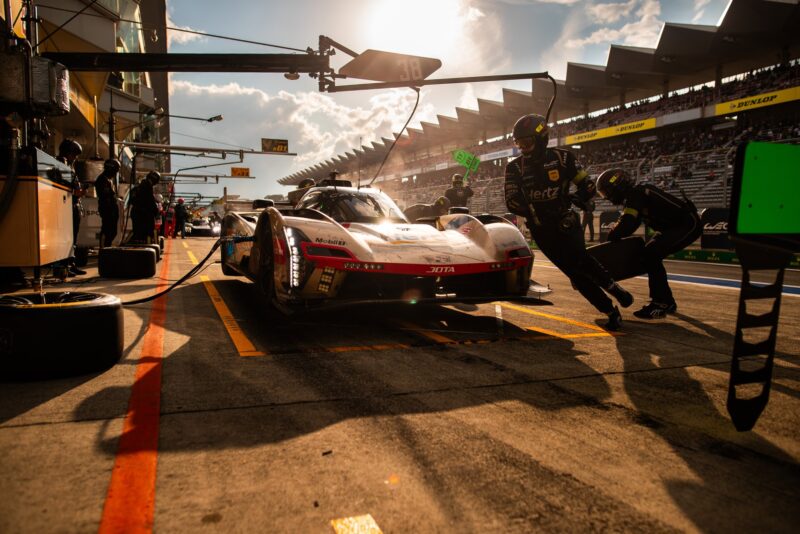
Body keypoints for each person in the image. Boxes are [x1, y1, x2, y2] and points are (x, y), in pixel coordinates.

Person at [504, 114, 633, 330]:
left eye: (527, 143)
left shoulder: (564, 158)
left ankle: (614, 288)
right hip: (540, 229)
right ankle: (610, 310)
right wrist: (529, 209)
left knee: (582, 260)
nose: (523, 148)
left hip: (565, 220)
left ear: (541, 138)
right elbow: (511, 201)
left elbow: (588, 185)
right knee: (573, 273)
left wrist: (578, 198)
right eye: (519, 144)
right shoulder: (514, 167)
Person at [596, 168, 701, 319]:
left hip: (687, 224)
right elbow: (628, 224)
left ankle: (661, 303)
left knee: (651, 254)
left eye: (606, 192)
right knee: (649, 254)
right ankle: (666, 301)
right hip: (675, 226)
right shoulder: (635, 196)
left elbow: (628, 224)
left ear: (617, 187)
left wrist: (613, 235)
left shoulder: (636, 195)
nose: (607, 198)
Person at [56, 139, 86, 275]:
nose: (75, 158)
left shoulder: (70, 166)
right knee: (66, 238)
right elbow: (60, 188)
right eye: (73, 154)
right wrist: (75, 192)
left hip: (73, 205)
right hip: (65, 207)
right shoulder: (60, 165)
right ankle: (63, 267)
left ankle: (71, 264)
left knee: (72, 237)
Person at [94, 159, 120, 248]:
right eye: (115, 171)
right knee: (107, 230)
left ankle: (107, 247)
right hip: (107, 209)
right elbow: (105, 195)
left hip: (111, 209)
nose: (115, 173)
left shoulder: (109, 179)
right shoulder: (102, 179)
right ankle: (104, 249)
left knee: (112, 231)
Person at [130, 170, 161, 243]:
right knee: (147, 232)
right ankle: (146, 247)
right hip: (143, 214)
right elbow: (150, 201)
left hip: (136, 212)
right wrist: (156, 211)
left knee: (138, 233)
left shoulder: (140, 184)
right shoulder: (147, 186)